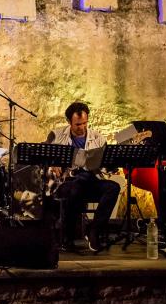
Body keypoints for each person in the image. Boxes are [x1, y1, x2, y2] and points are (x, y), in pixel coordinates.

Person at [47, 102, 121, 252]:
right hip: (66, 182)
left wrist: (111, 165)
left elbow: (105, 165)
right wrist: (52, 164)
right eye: (78, 124)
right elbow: (44, 157)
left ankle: (94, 230)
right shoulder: (56, 135)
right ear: (69, 121)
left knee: (113, 187)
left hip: (90, 181)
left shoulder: (98, 138)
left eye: (85, 123)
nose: (82, 127)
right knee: (77, 185)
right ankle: (68, 237)